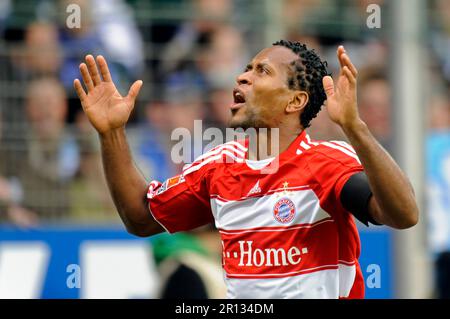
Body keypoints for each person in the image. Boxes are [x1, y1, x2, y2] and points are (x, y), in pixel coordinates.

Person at [73, 40, 419, 299]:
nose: (242, 77)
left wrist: (355, 127)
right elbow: (140, 217)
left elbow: (403, 215)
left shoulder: (327, 163)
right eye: (247, 68)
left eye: (261, 71)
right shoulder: (217, 167)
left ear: (295, 101)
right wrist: (112, 132)